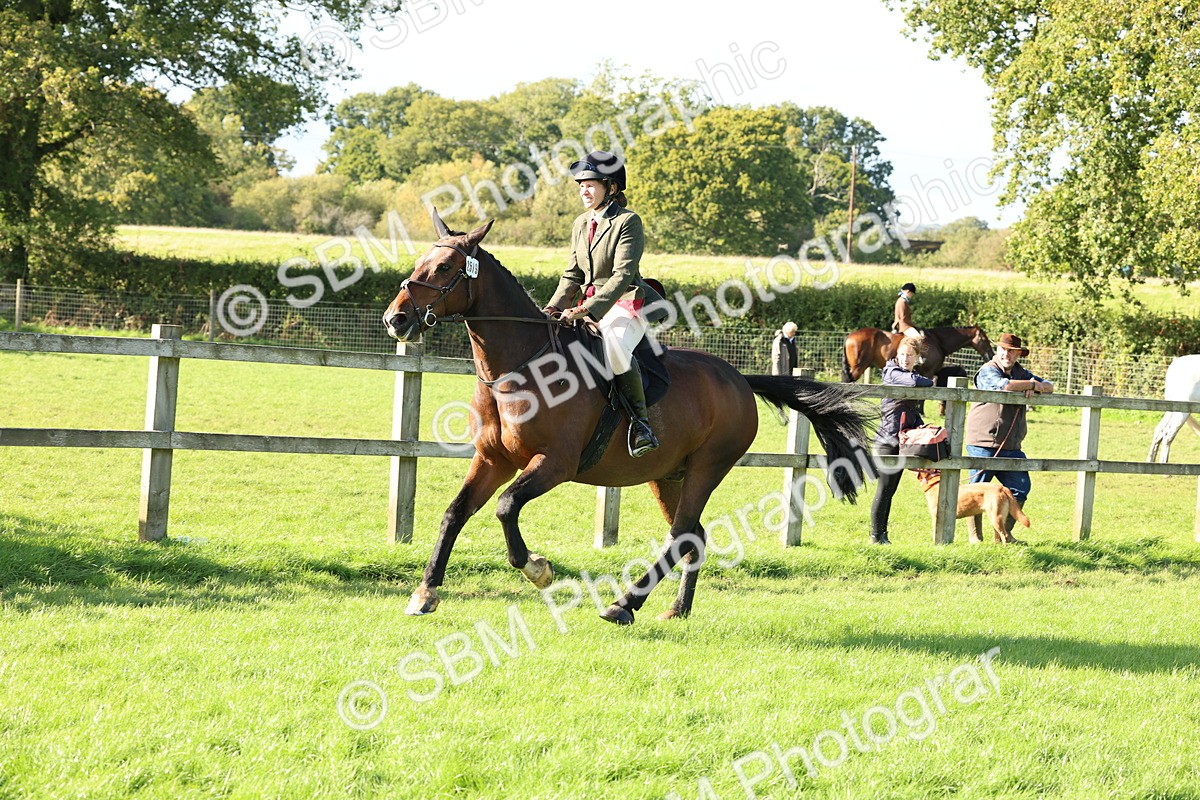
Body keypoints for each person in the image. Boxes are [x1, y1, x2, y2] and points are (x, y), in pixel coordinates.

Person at [543, 150, 668, 458]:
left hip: (626, 303)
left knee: (613, 346)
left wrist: (584, 310)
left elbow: (622, 275)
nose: (583, 191)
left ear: (610, 187)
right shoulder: (581, 223)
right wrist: (551, 308)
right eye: (581, 186)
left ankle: (641, 424)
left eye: (590, 185)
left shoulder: (628, 221)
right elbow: (572, 275)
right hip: (587, 304)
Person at [965, 332, 1054, 539]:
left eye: (1012, 351)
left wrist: (1035, 385)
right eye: (1003, 349)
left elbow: (1049, 386)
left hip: (1012, 446)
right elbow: (1004, 386)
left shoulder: (1021, 373)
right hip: (983, 442)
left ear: (1018, 354)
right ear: (997, 350)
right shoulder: (988, 370)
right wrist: (1031, 385)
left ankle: (1002, 536)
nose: (1007, 354)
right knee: (976, 492)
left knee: (1020, 487)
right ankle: (975, 537)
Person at [869, 335, 934, 544]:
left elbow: (911, 409)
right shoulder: (892, 372)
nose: (906, 359)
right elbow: (915, 382)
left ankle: (883, 535)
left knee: (891, 489)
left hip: (902, 440)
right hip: (887, 439)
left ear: (917, 357)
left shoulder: (907, 372)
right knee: (885, 488)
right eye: (903, 354)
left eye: (910, 355)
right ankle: (875, 536)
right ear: (897, 355)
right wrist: (928, 381)